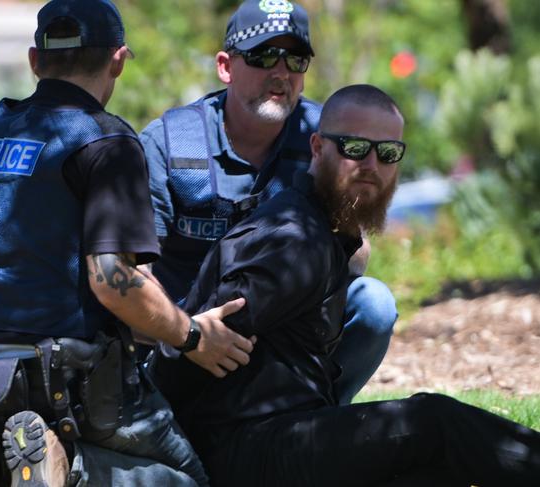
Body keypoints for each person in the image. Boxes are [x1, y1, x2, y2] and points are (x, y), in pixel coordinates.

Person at [0, 1, 254, 486]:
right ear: (118, 60)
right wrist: (191, 336)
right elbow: (112, 281)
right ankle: (72, 468)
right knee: (187, 476)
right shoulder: (106, 142)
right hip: (55, 378)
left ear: (36, 61)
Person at [151, 84, 540, 487]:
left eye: (387, 152)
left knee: (432, 472)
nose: (371, 164)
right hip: (246, 449)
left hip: (287, 432)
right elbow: (191, 356)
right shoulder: (294, 241)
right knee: (434, 422)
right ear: (318, 148)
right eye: (355, 148)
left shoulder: (324, 229)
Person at [140, 0, 396, 404]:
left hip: (287, 331)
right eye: (262, 56)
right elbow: (133, 273)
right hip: (185, 334)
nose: (281, 72)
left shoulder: (325, 137)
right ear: (225, 66)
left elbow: (355, 255)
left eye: (295, 59)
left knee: (374, 304)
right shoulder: (168, 143)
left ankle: (323, 417)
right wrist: (187, 332)